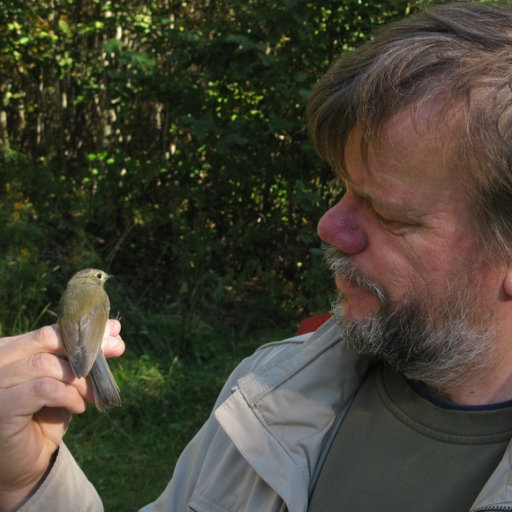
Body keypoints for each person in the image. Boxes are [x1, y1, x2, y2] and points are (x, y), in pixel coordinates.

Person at [3, 1, 512, 510]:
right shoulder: (269, 395)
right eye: (345, 190)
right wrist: (26, 484)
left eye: (389, 214)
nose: (330, 228)